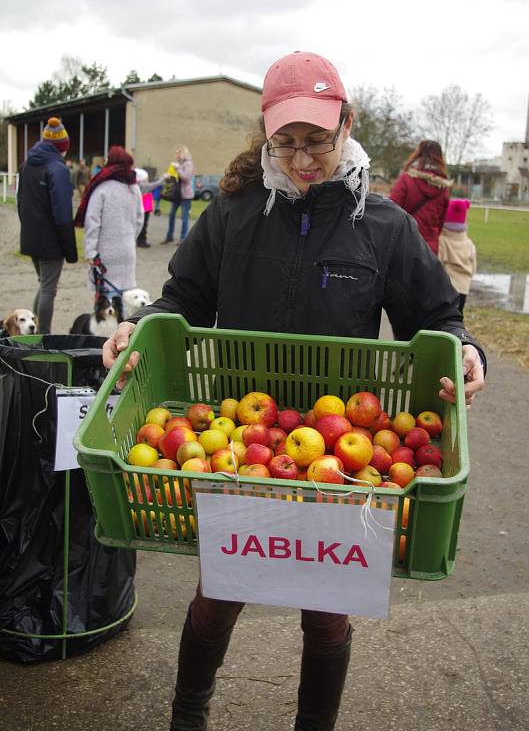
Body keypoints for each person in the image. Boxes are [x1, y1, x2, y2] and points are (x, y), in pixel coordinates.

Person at [102, 51, 486, 731]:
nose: (303, 158)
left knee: (326, 612)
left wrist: (466, 349)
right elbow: (181, 299)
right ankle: (187, 715)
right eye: (287, 142)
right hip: (236, 441)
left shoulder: (384, 226)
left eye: (317, 141)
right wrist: (137, 329)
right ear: (266, 135)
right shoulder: (232, 214)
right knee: (219, 594)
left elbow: (436, 317)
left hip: (343, 457)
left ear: (345, 127)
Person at [17, 117, 78, 334]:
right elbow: (63, 214)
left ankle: (34, 329)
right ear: (62, 147)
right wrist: (70, 251)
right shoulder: (57, 169)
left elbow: (20, 202)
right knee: (48, 290)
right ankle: (44, 335)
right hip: (50, 242)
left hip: (31, 237)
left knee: (44, 285)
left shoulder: (26, 165)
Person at [75, 146, 144, 300]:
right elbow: (140, 219)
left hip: (105, 253)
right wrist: (130, 238)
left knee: (106, 306)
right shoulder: (134, 188)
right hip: (127, 251)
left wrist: (91, 251)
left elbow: (92, 222)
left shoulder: (101, 187)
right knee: (127, 301)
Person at [389, 140, 453, 254]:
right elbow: (441, 222)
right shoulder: (444, 187)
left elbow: (391, 211)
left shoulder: (406, 179)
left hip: (405, 244)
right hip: (430, 248)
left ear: (418, 154)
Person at [438, 198, 477, 315]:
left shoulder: (443, 241)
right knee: (456, 319)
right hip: (463, 289)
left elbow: (438, 264)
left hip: (447, 289)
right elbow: (473, 267)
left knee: (443, 320)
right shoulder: (469, 244)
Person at [161, 145, 195, 245]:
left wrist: (178, 169)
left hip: (185, 195)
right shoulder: (178, 164)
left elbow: (187, 178)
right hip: (176, 194)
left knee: (184, 217)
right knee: (171, 214)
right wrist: (168, 175)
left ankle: (183, 239)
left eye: (177, 153)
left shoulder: (188, 164)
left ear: (182, 153)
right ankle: (169, 236)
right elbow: (174, 178)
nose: (176, 155)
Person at [135, 168, 166, 248]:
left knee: (141, 225)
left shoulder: (137, 185)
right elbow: (156, 184)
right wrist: (164, 177)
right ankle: (142, 241)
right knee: (144, 225)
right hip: (145, 208)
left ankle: (139, 240)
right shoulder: (144, 186)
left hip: (141, 208)